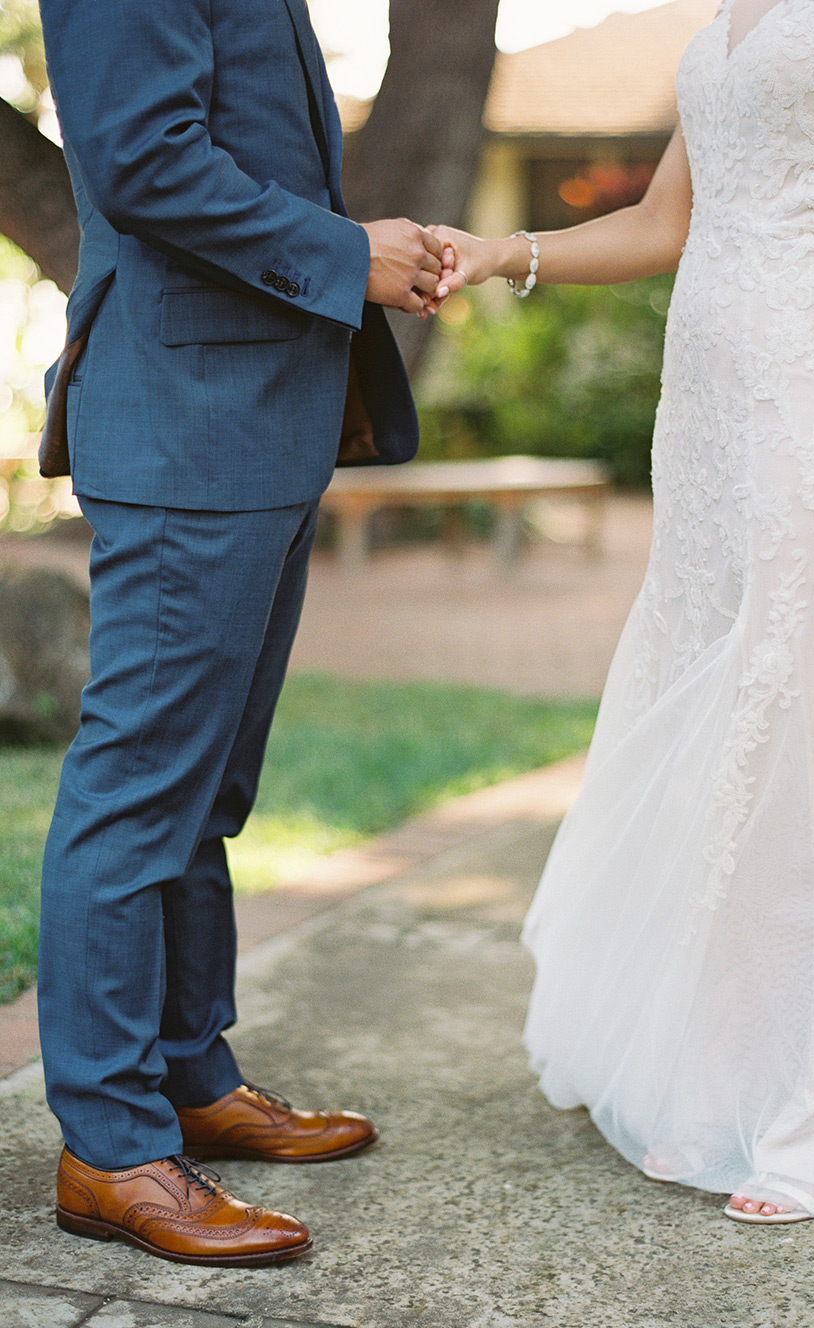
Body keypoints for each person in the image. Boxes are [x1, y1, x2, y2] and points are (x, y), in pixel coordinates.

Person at [430, 0, 814, 1222]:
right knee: (721, 686)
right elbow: (664, 222)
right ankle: (729, 1063)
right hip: (704, 407)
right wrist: (498, 253)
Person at [34, 0, 456, 1266]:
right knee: (139, 787)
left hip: (253, 419)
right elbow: (144, 156)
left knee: (206, 786)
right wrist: (346, 253)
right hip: (184, 417)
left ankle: (186, 1073)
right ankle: (110, 1148)